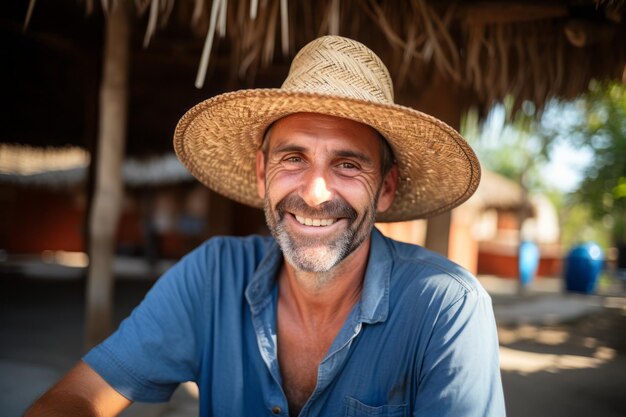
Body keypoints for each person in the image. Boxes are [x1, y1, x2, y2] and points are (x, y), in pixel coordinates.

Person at [26, 35, 505, 417]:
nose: (316, 193)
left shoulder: (447, 310)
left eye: (348, 165)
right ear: (261, 174)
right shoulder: (213, 275)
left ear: (385, 188)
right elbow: (82, 396)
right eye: (293, 158)